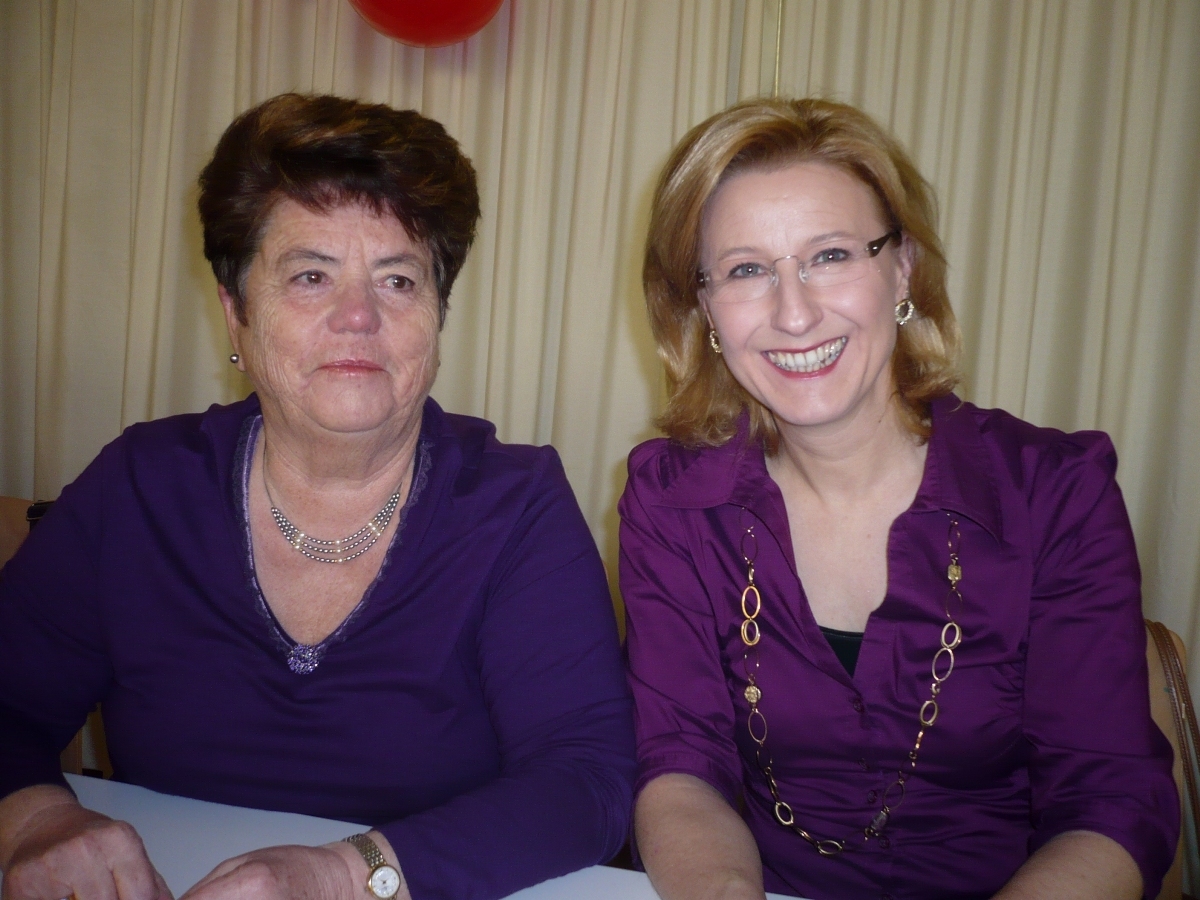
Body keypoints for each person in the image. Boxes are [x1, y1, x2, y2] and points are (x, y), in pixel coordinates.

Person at [0, 93, 635, 900]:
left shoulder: (513, 504)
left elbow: (586, 781)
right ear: (235, 314)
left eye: (398, 279)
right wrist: (34, 816)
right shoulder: (141, 487)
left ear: (437, 317)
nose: (358, 316)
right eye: (310, 276)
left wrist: (349, 873)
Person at [619, 97, 1177, 900]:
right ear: (703, 306)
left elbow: (1109, 803)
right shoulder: (671, 502)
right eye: (745, 270)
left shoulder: (1053, 492)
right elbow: (680, 766)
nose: (794, 312)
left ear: (903, 267)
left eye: (831, 255)